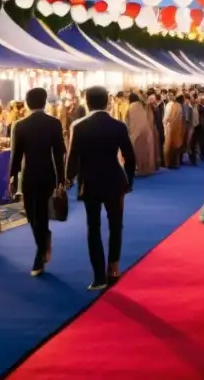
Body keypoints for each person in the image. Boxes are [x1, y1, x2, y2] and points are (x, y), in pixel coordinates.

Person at [67, 86, 137, 290]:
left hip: (89, 181)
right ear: (107, 102)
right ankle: (114, 267)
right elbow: (130, 157)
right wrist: (129, 181)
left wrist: (67, 180)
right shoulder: (118, 125)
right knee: (116, 225)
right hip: (115, 180)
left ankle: (98, 276)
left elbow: (72, 159)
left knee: (93, 227)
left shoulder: (79, 126)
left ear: (87, 102)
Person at [10, 88, 67, 275]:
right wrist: (61, 178)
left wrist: (12, 177)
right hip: (47, 175)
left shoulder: (20, 125)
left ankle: (39, 257)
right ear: (45, 102)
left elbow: (15, 156)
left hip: (29, 175)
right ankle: (45, 240)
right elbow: (60, 154)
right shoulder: (54, 123)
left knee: (36, 215)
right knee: (36, 215)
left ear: (27, 102)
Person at [126, 92, 157, 177]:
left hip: (135, 134)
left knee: (136, 152)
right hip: (146, 133)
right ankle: (145, 169)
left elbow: (128, 121)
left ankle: (137, 169)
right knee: (144, 152)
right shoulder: (142, 106)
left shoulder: (130, 107)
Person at [163, 94, 185, 169]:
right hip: (178, 128)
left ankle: (168, 163)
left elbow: (167, 118)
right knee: (176, 145)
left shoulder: (170, 105)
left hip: (170, 128)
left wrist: (165, 123)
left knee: (169, 146)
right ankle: (175, 163)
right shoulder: (179, 106)